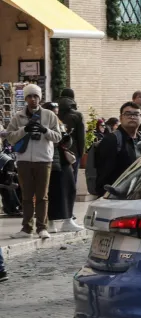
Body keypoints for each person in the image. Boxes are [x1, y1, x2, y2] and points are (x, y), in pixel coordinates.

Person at [4, 84, 63, 239]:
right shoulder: (18, 117)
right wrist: (25, 129)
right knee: (26, 196)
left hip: (44, 160)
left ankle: (42, 227)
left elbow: (58, 137)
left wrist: (44, 130)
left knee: (42, 196)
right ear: (25, 99)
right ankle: (26, 228)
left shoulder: (49, 115)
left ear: (40, 98)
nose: (33, 99)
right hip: (24, 160)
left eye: (35, 96)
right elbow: (10, 137)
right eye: (29, 96)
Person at [93, 101, 141, 196]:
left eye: (136, 114)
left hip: (140, 193)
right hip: (116, 195)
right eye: (127, 114)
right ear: (121, 118)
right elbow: (103, 173)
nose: (132, 117)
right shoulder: (112, 140)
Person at [44, 101, 81, 233]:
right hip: (51, 160)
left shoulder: (60, 123)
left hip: (63, 160)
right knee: (53, 191)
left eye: (56, 112)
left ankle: (68, 219)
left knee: (69, 188)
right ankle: (50, 221)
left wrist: (66, 138)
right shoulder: (44, 124)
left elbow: (66, 142)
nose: (55, 115)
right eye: (53, 112)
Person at [56, 88, 86, 188]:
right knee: (72, 180)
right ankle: (70, 197)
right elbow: (81, 137)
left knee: (57, 180)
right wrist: (81, 153)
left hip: (55, 151)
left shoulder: (53, 112)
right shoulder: (77, 115)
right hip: (73, 152)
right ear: (73, 98)